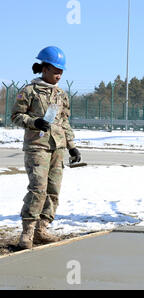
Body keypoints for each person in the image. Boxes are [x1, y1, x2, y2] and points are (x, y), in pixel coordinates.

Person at [11, 46, 81, 249]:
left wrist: (72, 147)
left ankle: (42, 228)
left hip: (57, 147)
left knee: (53, 190)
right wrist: (35, 122)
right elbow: (16, 116)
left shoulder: (61, 95)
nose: (59, 75)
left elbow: (64, 122)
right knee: (38, 188)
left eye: (61, 72)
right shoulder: (29, 91)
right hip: (37, 146)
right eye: (56, 70)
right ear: (45, 68)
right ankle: (28, 232)